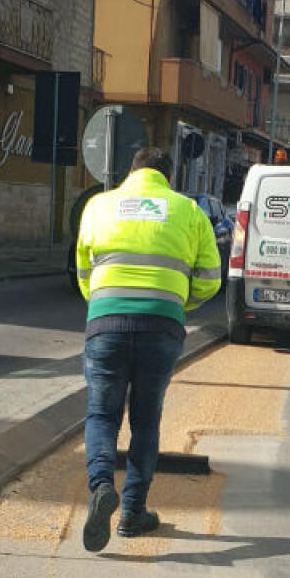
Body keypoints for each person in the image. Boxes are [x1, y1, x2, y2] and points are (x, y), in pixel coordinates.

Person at [75, 147, 222, 552]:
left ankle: (102, 485)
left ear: (132, 172)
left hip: (105, 322)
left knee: (102, 414)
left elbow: (84, 272)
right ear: (167, 178)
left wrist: (104, 301)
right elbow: (211, 277)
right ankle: (132, 514)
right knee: (145, 420)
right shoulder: (187, 211)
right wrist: (176, 304)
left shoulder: (98, 206)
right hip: (162, 325)